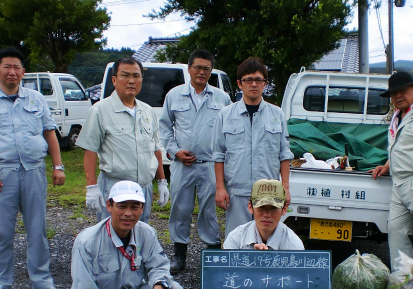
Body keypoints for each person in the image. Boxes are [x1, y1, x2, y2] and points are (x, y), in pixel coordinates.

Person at [0, 46, 66, 289]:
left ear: (23, 71)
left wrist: (58, 166)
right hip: (1, 173)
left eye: (17, 67)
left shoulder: (35, 99)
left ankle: (42, 284)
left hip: (33, 170)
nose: (12, 72)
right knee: (0, 231)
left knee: (38, 229)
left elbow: (49, 133)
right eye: (7, 67)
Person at [159, 49, 232, 274]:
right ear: (189, 68)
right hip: (183, 165)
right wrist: (174, 151)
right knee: (180, 209)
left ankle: (212, 254)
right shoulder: (174, 95)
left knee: (209, 211)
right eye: (197, 67)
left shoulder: (222, 98)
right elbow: (164, 127)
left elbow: (228, 133)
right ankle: (179, 255)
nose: (201, 72)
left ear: (211, 71)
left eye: (206, 69)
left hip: (210, 164)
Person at [76, 57, 169, 224]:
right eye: (125, 75)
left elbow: (155, 149)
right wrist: (91, 187)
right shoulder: (100, 110)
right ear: (114, 79)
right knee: (111, 234)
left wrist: (162, 182)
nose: (131, 81)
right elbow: (90, 150)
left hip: (143, 188)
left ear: (141, 79)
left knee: (140, 233)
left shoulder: (147, 111)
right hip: (114, 186)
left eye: (136, 76)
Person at [213, 57, 293, 238]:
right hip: (237, 192)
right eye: (248, 80)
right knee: (237, 240)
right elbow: (218, 154)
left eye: (259, 80)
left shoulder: (276, 114)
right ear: (239, 84)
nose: (253, 84)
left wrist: (285, 187)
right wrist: (220, 188)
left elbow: (284, 153)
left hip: (269, 193)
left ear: (265, 83)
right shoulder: (226, 114)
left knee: (268, 240)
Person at [370, 71, 413, 272]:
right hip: (398, 182)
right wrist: (387, 165)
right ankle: (404, 280)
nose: (397, 96)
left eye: (402, 91)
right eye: (394, 94)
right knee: (395, 230)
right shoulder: (397, 115)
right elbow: (399, 146)